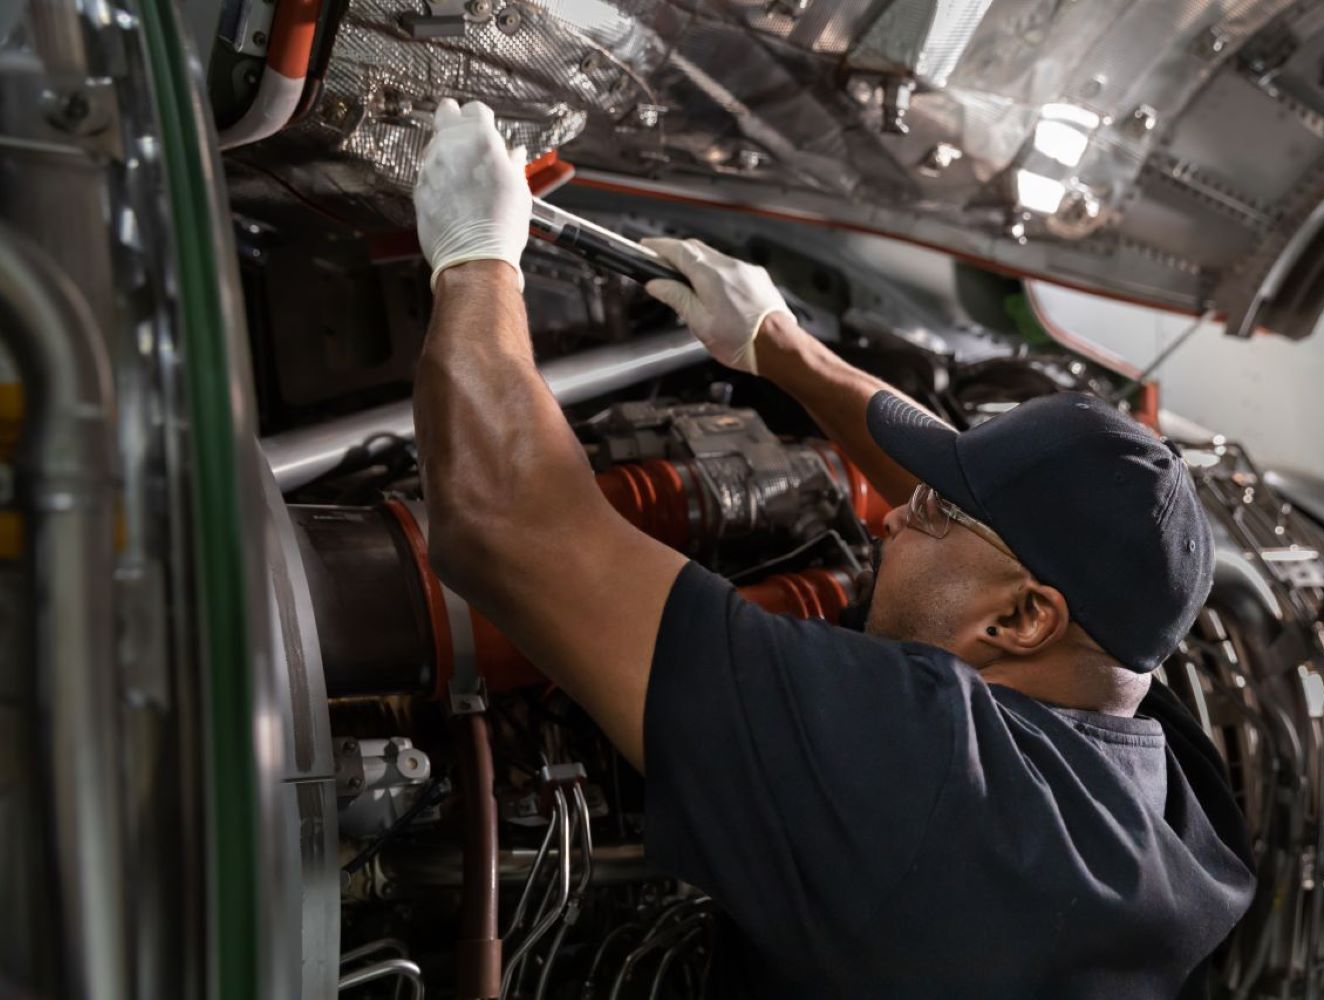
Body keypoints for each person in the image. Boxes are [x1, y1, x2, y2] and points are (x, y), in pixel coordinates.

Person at [410, 98, 1256, 999]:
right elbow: (1016, 545)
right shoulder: (1165, 781)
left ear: (1021, 616)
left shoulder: (928, 774)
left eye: (928, 511)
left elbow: (504, 524)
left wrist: (474, 258)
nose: (889, 518)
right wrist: (779, 347)